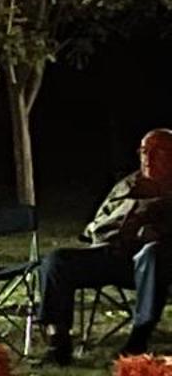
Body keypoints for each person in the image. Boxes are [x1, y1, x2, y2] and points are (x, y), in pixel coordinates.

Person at [37, 128, 172, 363]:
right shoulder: (128, 185)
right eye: (143, 151)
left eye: (156, 152)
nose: (146, 158)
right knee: (57, 261)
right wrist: (101, 229)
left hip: (157, 264)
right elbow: (98, 222)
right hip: (115, 254)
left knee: (152, 254)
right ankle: (58, 341)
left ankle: (138, 339)